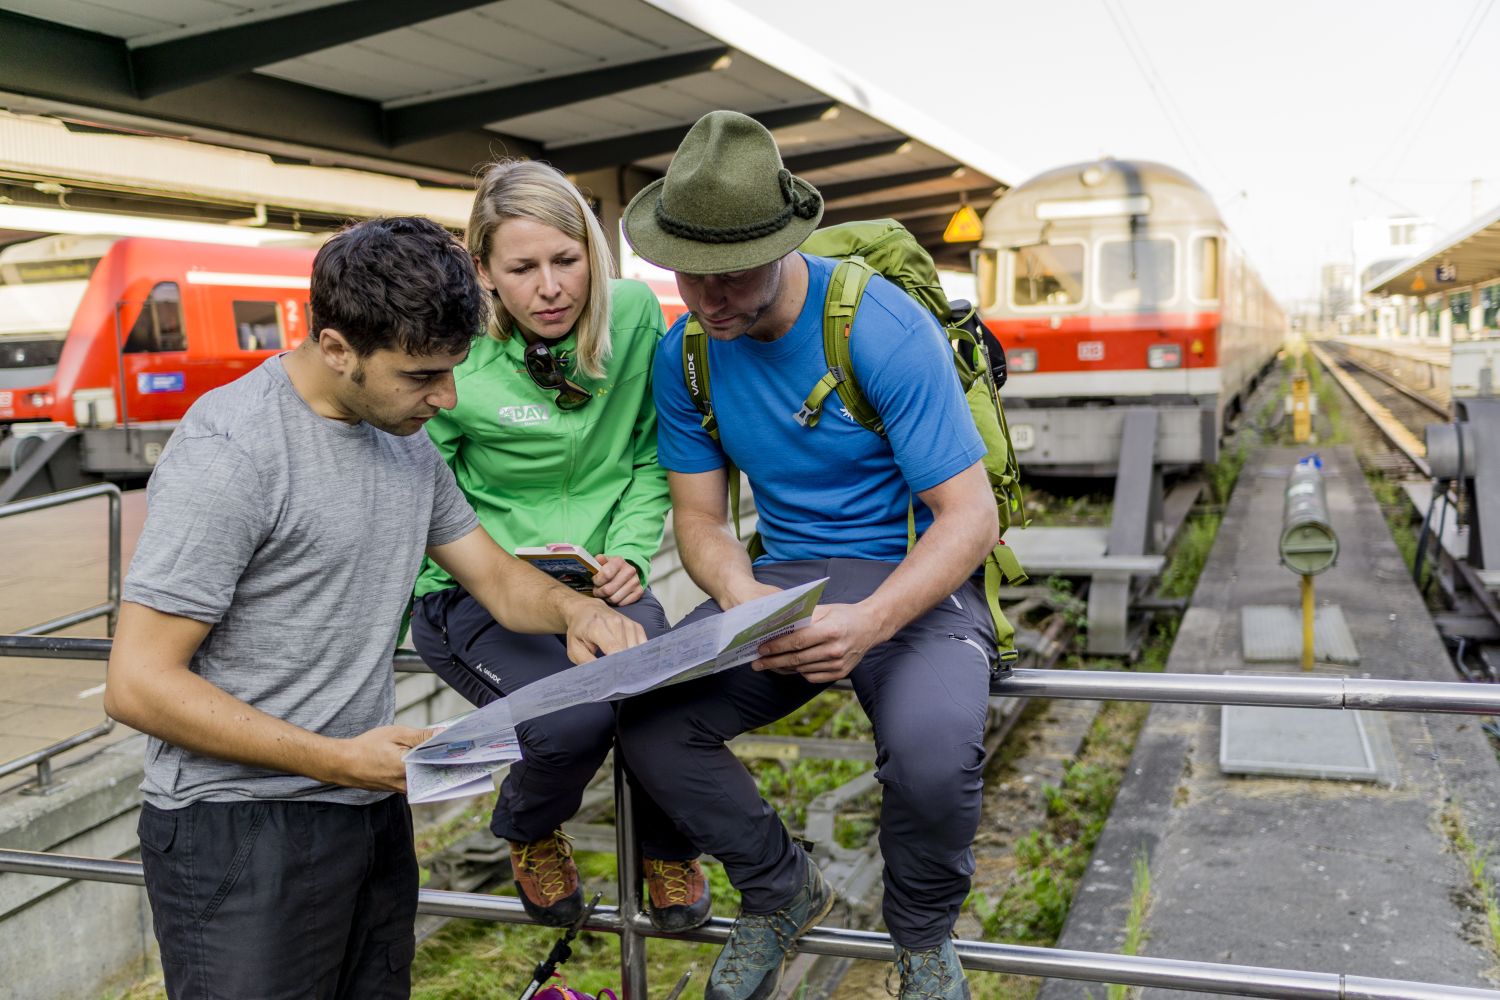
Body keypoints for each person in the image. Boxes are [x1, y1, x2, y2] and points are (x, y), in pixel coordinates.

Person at [103, 216, 646, 1000]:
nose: (447, 397)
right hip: (240, 833)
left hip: (368, 811)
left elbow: (493, 578)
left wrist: (573, 612)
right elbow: (138, 682)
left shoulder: (405, 441)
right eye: (423, 375)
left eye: (454, 370)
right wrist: (336, 760)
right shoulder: (232, 453)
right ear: (336, 348)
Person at [616, 111, 1000, 1000]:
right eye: (689, 277)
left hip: (914, 583)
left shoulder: (880, 328)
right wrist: (742, 595)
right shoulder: (688, 357)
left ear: (784, 243)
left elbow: (968, 518)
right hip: (782, 580)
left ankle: (922, 939)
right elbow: (701, 520)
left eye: (732, 276)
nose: (708, 302)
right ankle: (782, 889)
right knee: (651, 726)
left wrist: (868, 622)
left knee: (934, 754)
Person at [408, 159, 711, 932]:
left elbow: (649, 455)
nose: (551, 288)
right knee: (573, 722)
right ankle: (527, 828)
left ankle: (668, 846)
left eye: (567, 261)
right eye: (523, 268)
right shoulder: (458, 354)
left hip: (604, 580)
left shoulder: (640, 317)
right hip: (475, 591)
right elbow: (423, 495)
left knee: (664, 702)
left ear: (596, 258)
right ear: (483, 272)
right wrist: (502, 569)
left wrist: (633, 556)